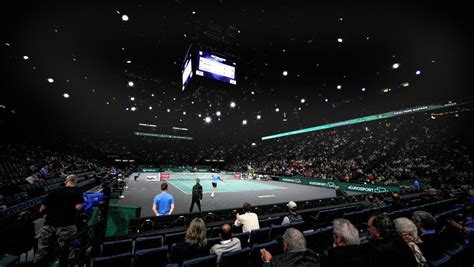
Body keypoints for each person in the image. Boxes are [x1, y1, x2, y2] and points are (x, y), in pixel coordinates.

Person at [33, 175, 84, 264]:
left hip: (49, 224)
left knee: (42, 250)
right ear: (75, 182)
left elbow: (41, 209)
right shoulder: (77, 191)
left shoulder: (54, 191)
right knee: (66, 250)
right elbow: (78, 207)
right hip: (67, 225)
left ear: (66, 181)